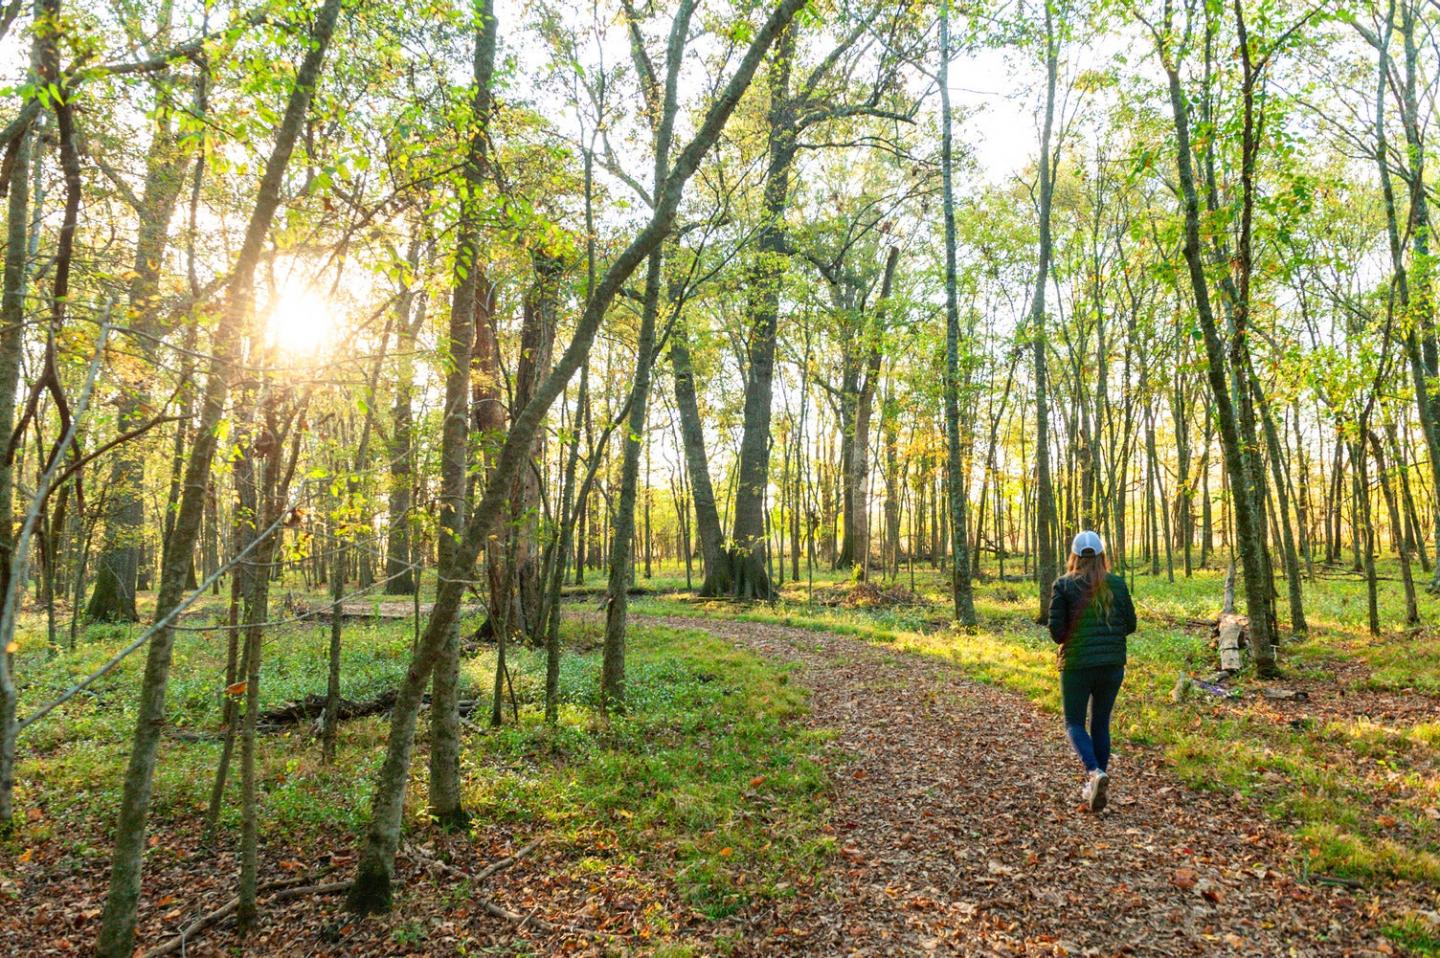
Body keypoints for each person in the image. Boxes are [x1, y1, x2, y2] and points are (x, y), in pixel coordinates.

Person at [1048, 530, 1136, 812]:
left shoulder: (1063, 585)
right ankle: (1098, 784)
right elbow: (1131, 624)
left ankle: (1095, 773)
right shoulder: (1118, 585)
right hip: (1112, 665)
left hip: (1076, 666)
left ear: (1074, 556)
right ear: (1101, 556)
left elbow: (1057, 633)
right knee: (1100, 722)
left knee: (1074, 722)